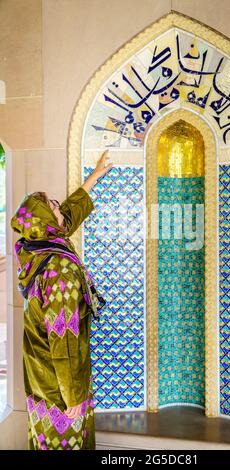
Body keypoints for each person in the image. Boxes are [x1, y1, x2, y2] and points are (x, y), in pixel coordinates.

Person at [10, 150, 113, 450]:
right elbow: (63, 337)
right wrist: (73, 395)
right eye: (54, 206)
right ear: (46, 221)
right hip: (58, 388)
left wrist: (95, 175)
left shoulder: (36, 247)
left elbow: (66, 218)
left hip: (40, 375)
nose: (60, 208)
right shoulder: (59, 268)